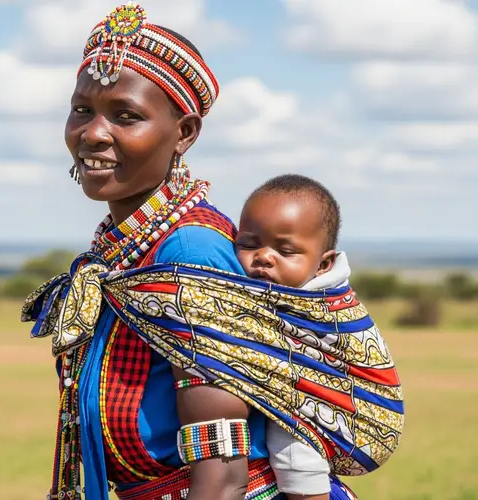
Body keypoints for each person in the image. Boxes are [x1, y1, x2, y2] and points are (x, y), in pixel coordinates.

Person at [22, 4, 403, 499]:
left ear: (184, 133)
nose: (93, 132)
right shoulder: (126, 249)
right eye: (82, 110)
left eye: (126, 116)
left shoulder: (189, 250)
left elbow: (222, 473)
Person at [235, 174, 352, 499]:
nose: (263, 257)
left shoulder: (313, 307)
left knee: (291, 437)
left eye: (285, 251)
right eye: (247, 244)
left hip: (309, 422)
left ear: (323, 264)